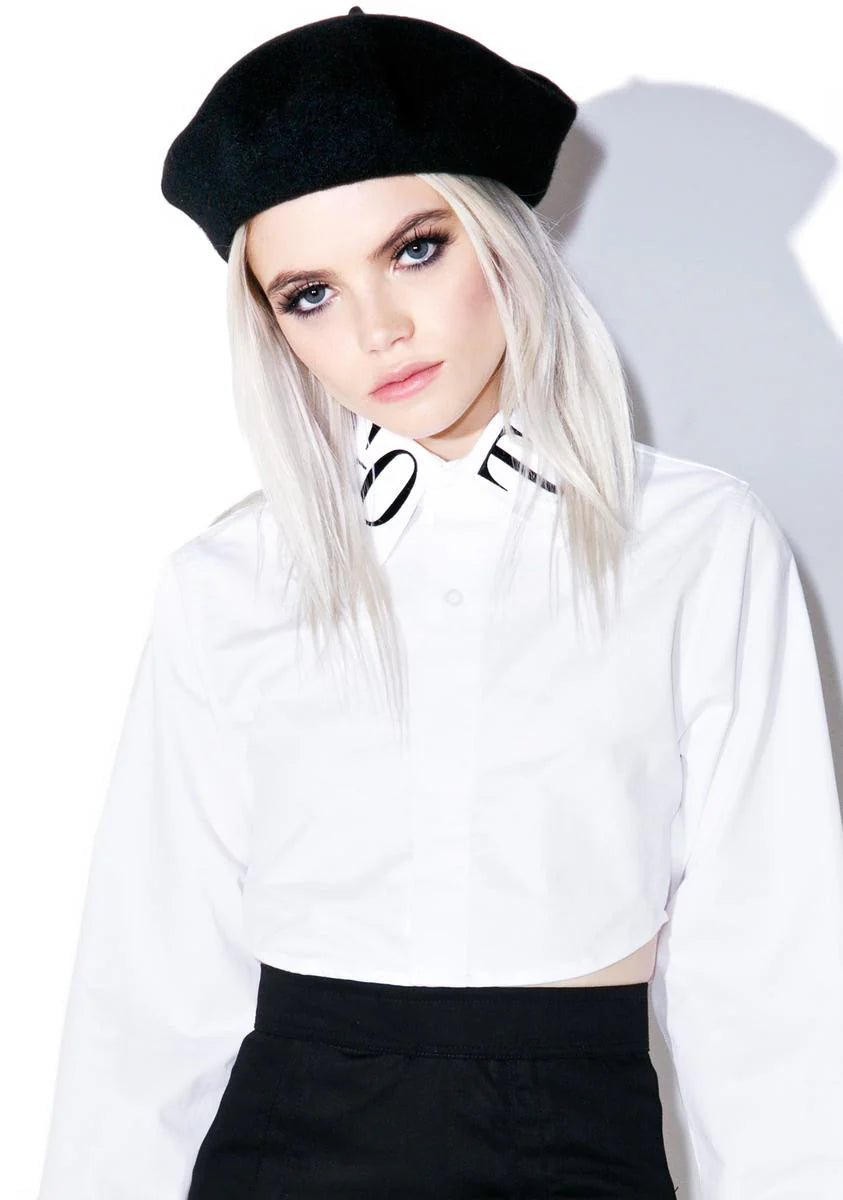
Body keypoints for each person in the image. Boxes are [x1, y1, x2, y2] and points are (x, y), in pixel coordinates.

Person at [36, 8, 843, 1199]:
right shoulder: (230, 581)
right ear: (273, 329)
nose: (379, 330)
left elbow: (771, 979)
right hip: (281, 1151)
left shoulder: (698, 545)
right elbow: (148, 992)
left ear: (500, 239)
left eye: (415, 249)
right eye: (309, 294)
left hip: (574, 1149)